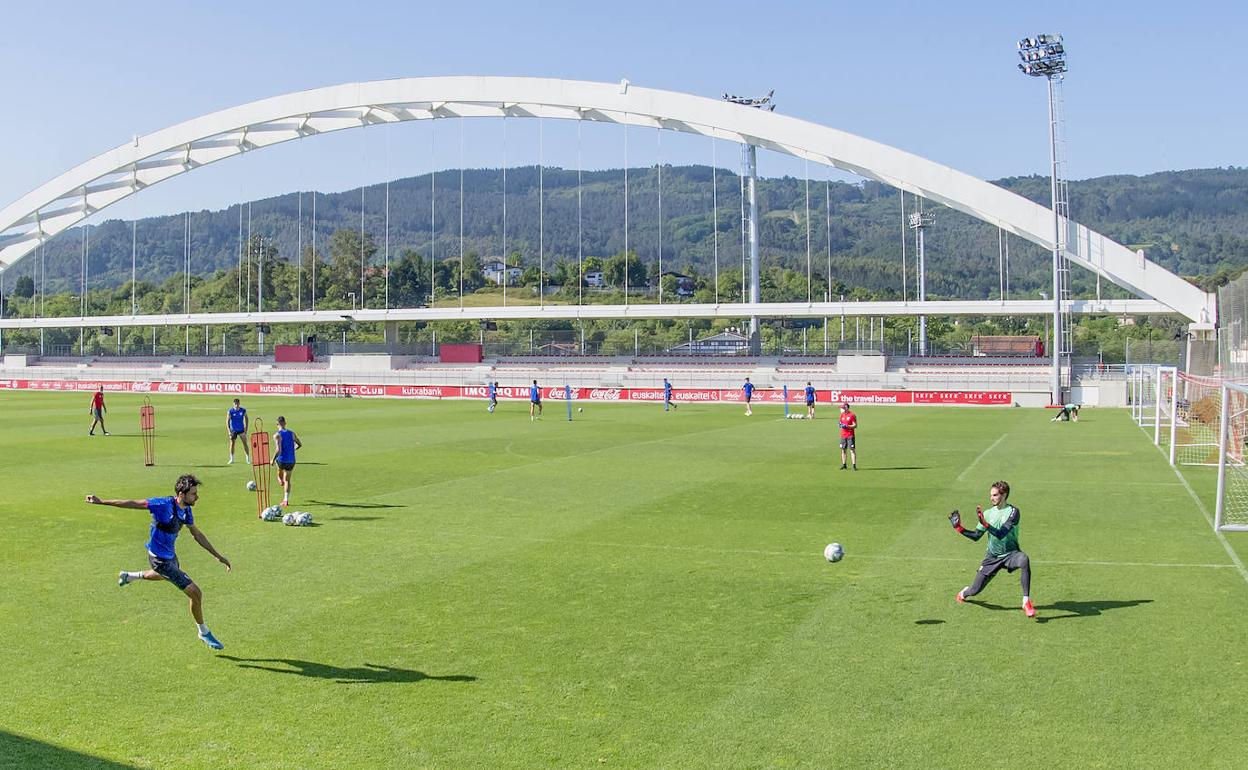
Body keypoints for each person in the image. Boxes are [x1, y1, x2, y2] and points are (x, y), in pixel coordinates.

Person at [85, 473, 231, 649]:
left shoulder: (187, 510)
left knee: (164, 576)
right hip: (158, 559)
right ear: (181, 494)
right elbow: (134, 503)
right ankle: (203, 631)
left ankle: (129, 576)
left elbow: (197, 534)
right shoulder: (162, 505)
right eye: (193, 493)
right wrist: (102, 502)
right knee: (195, 593)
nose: (197, 497)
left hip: (170, 556)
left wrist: (217, 555)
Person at [948, 480, 1035, 618]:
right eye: (991, 495)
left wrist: (986, 525)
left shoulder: (1013, 512)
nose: (991, 498)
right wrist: (959, 528)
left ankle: (1026, 601)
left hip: (1010, 554)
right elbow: (976, 536)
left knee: (1024, 559)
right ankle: (964, 593)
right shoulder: (988, 513)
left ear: (1004, 495)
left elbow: (1001, 534)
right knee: (975, 590)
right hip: (992, 557)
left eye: (995, 495)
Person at [272, 416, 303, 508]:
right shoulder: (292, 433)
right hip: (291, 460)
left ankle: (279, 478)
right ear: (285, 423)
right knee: (287, 480)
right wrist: (293, 450)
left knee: (279, 470)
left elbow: (278, 450)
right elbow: (299, 444)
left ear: (277, 424)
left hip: (281, 460)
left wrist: (272, 459)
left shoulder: (277, 435)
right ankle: (286, 500)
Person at [226, 398, 250, 464]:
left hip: (241, 430)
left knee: (245, 443)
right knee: (232, 444)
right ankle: (231, 459)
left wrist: (246, 428)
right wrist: (229, 431)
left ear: (239, 404)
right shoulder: (230, 411)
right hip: (233, 430)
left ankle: (247, 459)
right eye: (235, 404)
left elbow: (247, 419)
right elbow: (227, 421)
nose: (236, 405)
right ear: (233, 404)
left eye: (237, 404)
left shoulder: (243, 410)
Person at [838, 402, 857, 470]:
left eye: (842, 408)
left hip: (850, 435)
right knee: (843, 450)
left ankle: (854, 465)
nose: (841, 409)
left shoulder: (852, 415)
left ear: (846, 407)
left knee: (852, 450)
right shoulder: (842, 415)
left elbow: (855, 425)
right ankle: (844, 465)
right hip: (843, 435)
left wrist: (847, 426)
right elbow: (840, 423)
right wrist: (840, 425)